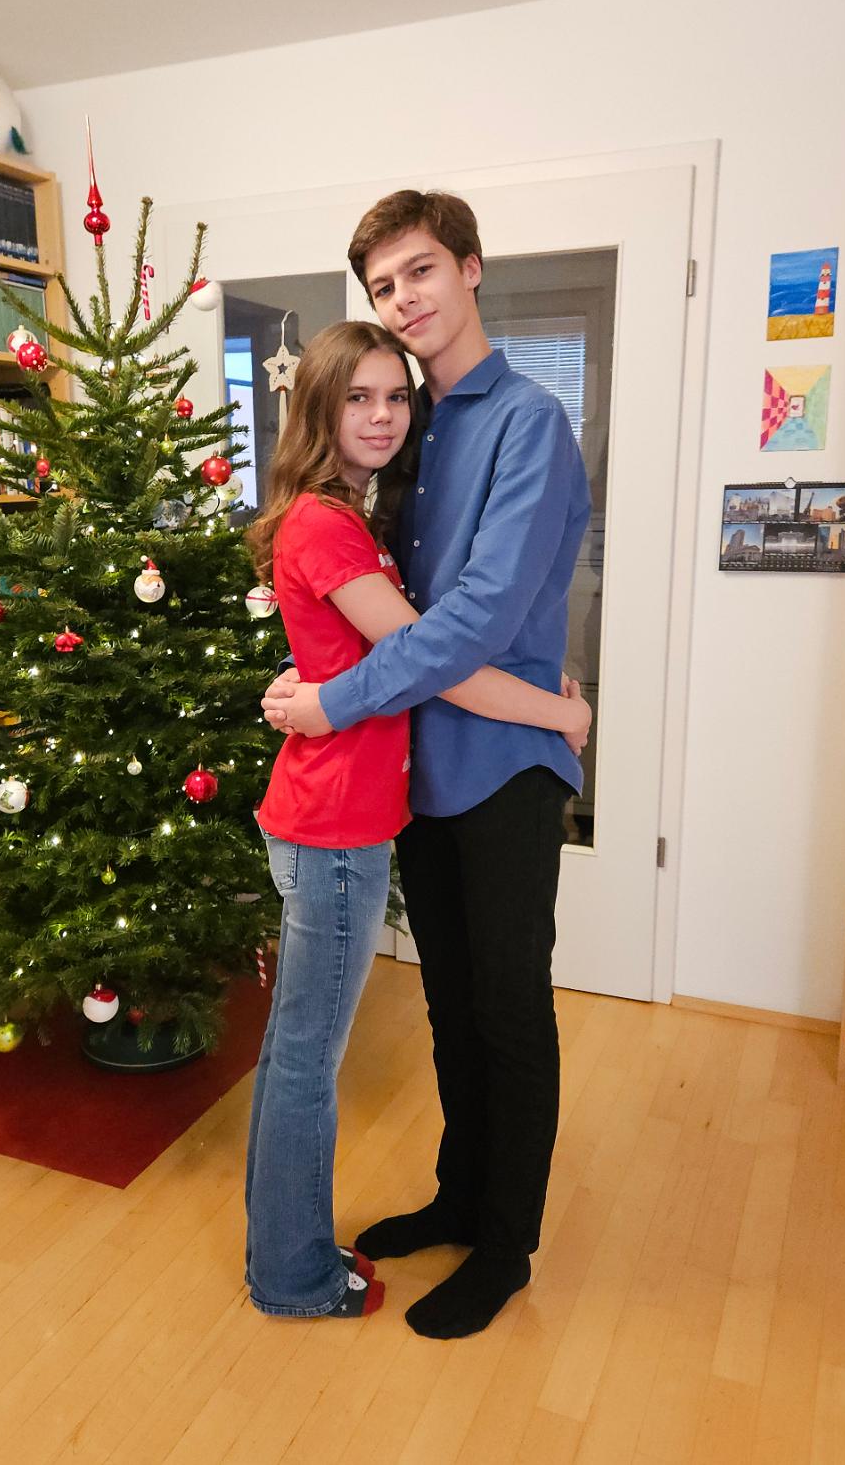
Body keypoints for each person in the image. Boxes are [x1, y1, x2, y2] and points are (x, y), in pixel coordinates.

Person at [261, 190, 592, 1339]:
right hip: (422, 774)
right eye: (382, 285)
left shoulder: (527, 424)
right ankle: (460, 1196)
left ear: (469, 268)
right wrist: (320, 677)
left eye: (419, 271)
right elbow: (377, 610)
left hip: (504, 768)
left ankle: (505, 1245)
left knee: (507, 1012)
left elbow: (468, 622)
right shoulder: (409, 427)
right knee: (449, 1004)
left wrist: (328, 704)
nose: (403, 298)